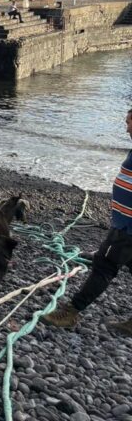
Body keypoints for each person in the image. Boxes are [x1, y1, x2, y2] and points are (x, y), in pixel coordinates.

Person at [45, 109, 132, 335]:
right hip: (124, 224)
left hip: (127, 229)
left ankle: (71, 312)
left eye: (129, 123)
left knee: (103, 265)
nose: (127, 128)